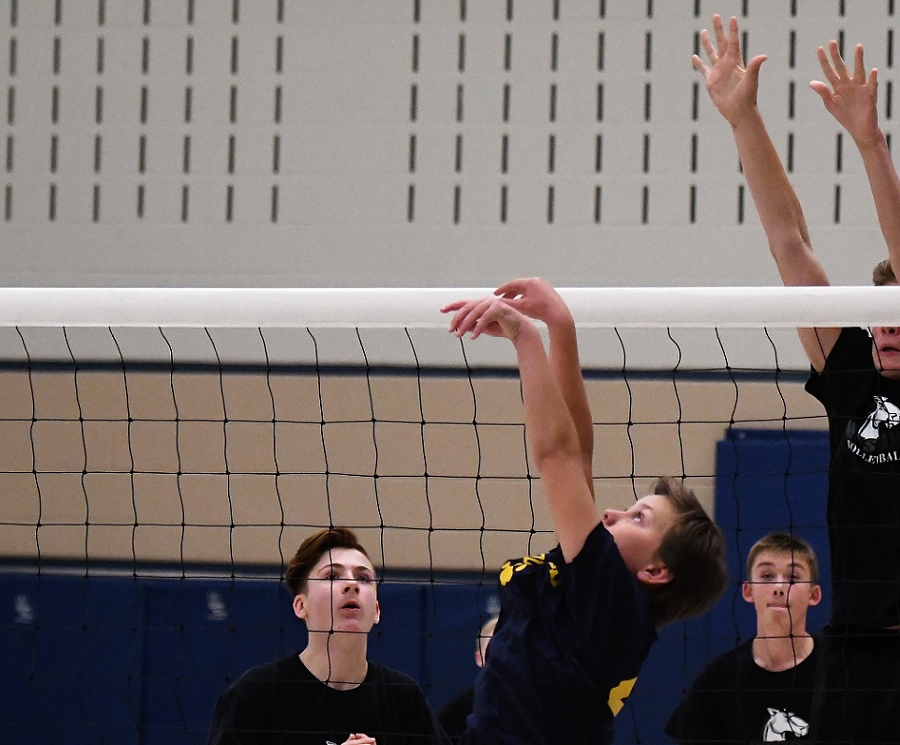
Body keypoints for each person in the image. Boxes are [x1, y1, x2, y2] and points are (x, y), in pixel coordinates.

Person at [693, 15, 900, 745]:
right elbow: (789, 242)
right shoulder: (851, 371)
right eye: (876, 311)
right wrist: (742, 118)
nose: (885, 323)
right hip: (852, 646)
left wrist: (868, 141)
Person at [442, 278, 729, 745]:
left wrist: (525, 337)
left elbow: (558, 455)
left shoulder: (614, 601)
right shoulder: (600, 600)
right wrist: (560, 327)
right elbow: (579, 451)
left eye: (640, 518)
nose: (613, 513)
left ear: (656, 570)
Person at [207, 527, 449, 745]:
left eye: (363, 578)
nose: (351, 585)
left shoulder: (403, 698)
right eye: (332, 576)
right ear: (301, 606)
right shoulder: (255, 695)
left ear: (376, 610)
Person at [666, 533, 822, 744]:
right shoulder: (717, 680)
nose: (779, 587)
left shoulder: (839, 670)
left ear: (814, 595)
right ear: (748, 591)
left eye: (793, 578)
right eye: (767, 576)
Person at [435, 614, 498, 742]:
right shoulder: (458, 711)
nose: (502, 657)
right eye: (493, 649)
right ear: (479, 658)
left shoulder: (538, 702)